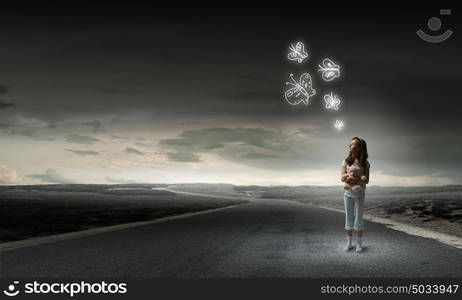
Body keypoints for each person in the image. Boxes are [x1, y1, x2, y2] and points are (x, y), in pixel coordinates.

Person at [341, 137, 370, 252]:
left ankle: (359, 244)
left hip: (359, 194)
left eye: (352, 144)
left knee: (358, 218)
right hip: (347, 193)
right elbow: (342, 178)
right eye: (350, 144)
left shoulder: (365, 163)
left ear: (359, 148)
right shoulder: (345, 162)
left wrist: (356, 179)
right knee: (348, 218)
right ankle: (349, 242)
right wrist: (349, 178)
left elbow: (366, 180)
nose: (349, 146)